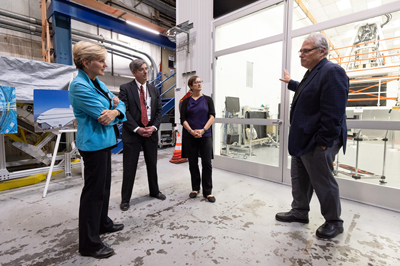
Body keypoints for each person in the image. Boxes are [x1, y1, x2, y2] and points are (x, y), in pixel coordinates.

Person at [276, 32, 349, 239]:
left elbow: (334, 112)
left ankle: (334, 221)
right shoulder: (313, 72)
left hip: (318, 141)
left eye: (305, 51)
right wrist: (291, 83)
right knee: (299, 178)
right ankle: (300, 211)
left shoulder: (333, 71)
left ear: (322, 51)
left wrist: (324, 143)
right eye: (300, 51)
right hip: (302, 139)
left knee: (323, 182)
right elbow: (308, 92)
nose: (301, 55)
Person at [69, 41, 127, 258]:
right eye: (101, 60)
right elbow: (103, 117)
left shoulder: (96, 82)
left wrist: (116, 111)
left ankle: (103, 223)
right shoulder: (80, 86)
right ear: (86, 62)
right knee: (93, 194)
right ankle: (89, 244)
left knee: (104, 188)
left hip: (104, 143)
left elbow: (118, 105)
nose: (105, 64)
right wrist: (115, 112)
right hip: (93, 145)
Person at [119, 59, 166, 211]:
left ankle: (154, 190)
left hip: (150, 133)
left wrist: (153, 127)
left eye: (146, 69)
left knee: (152, 164)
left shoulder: (154, 89)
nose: (145, 72)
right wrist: (137, 128)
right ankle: (125, 199)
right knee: (129, 167)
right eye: (141, 70)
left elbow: (159, 111)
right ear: (134, 72)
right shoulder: (125, 88)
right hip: (133, 134)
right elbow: (124, 111)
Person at [180, 76, 216, 203]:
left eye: (200, 81)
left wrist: (203, 130)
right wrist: (191, 131)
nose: (199, 84)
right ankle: (195, 188)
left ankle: (208, 191)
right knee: (193, 163)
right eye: (196, 82)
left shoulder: (207, 100)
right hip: (190, 136)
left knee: (207, 163)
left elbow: (212, 116)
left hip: (205, 135)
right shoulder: (185, 102)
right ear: (190, 86)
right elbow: (183, 119)